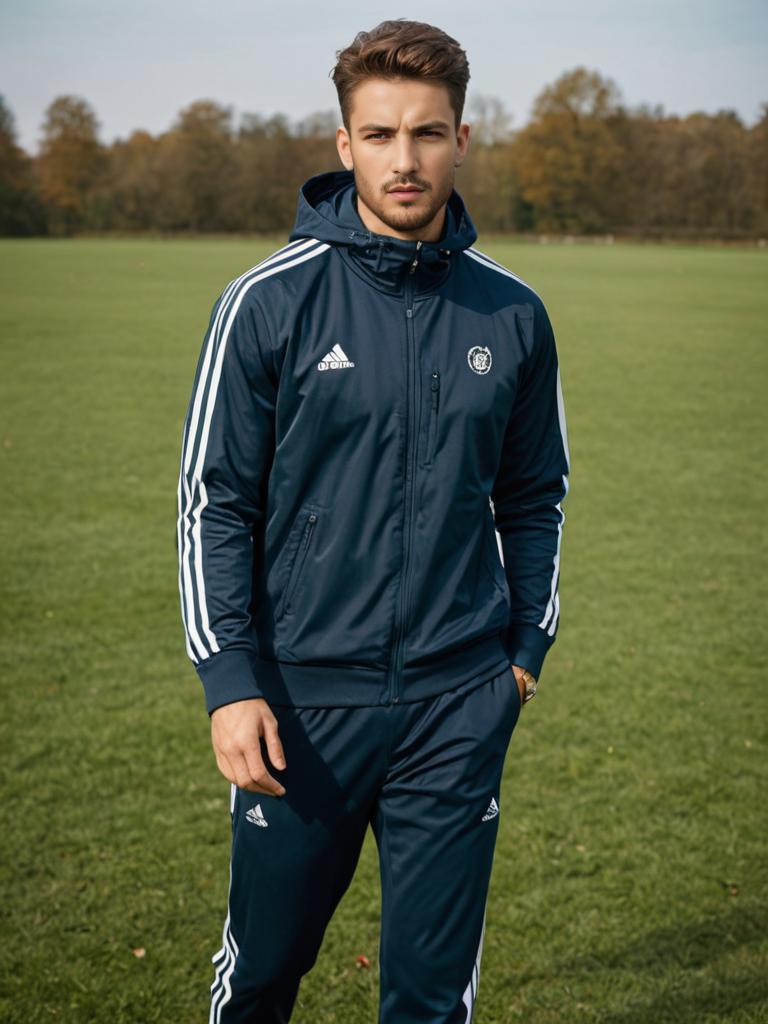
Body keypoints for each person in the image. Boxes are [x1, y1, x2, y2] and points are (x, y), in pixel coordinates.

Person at [176, 18, 570, 1024]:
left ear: (462, 141)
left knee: (432, 1002)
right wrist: (231, 682)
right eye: (383, 134)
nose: (407, 158)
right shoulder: (265, 304)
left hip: (456, 703)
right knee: (262, 975)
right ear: (344, 143)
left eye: (429, 134)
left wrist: (522, 648)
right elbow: (214, 501)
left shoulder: (512, 314)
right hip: (300, 711)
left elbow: (534, 496)